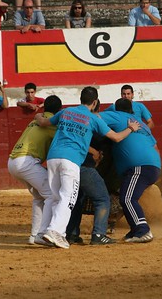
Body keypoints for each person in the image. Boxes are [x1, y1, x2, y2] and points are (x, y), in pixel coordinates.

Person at [34, 86, 141, 249]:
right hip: (71, 160)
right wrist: (131, 128)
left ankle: (42, 233)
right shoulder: (93, 119)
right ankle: (55, 231)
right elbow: (117, 138)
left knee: (55, 197)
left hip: (53, 157)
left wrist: (37, 114)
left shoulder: (66, 112)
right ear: (95, 102)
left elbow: (42, 122)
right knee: (68, 198)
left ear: (80, 99)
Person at [100, 98, 161, 243]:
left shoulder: (117, 115)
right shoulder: (143, 126)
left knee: (127, 199)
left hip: (139, 166)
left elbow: (93, 118)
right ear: (132, 111)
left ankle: (143, 230)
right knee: (128, 197)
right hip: (153, 166)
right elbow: (156, 148)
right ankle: (135, 230)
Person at [8, 95, 62, 246]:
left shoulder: (35, 119)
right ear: (59, 110)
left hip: (12, 161)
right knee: (52, 195)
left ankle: (34, 235)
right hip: (26, 162)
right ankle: (42, 233)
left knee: (40, 197)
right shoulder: (52, 124)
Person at [65, 100, 117, 246]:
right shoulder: (97, 122)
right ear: (95, 106)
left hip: (70, 164)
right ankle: (99, 234)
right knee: (102, 199)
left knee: (77, 200)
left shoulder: (72, 119)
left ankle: (71, 234)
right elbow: (114, 139)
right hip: (86, 166)